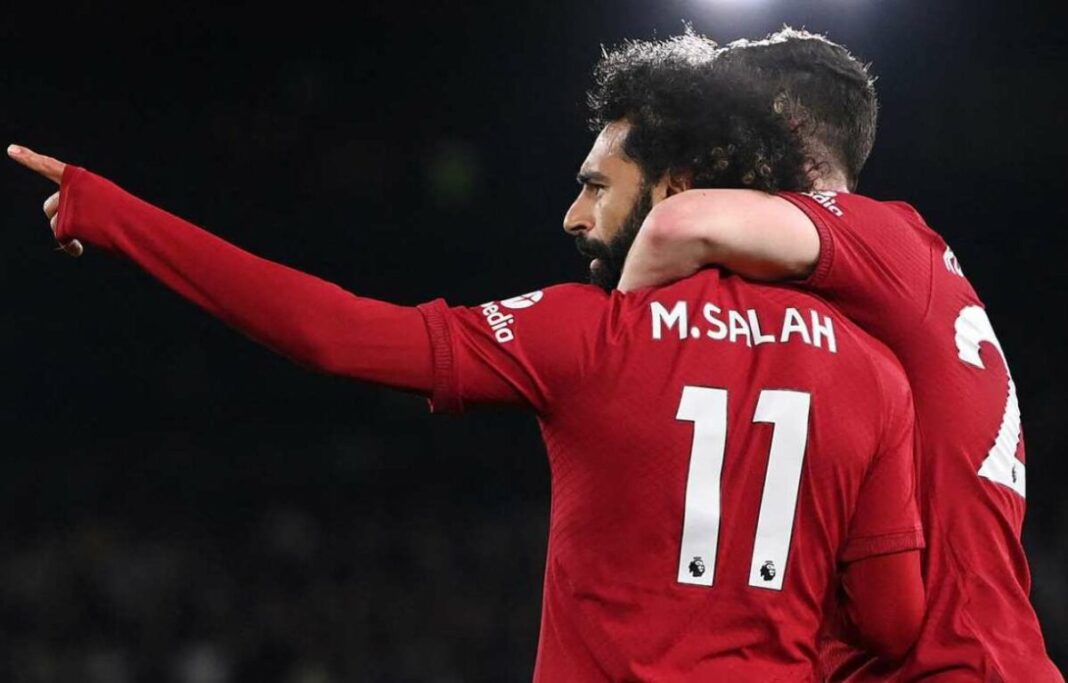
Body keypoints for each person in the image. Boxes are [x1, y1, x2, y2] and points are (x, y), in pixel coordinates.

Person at [9, 35, 926, 681]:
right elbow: (891, 621)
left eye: (596, 187)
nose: (573, 217)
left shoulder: (590, 335)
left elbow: (333, 332)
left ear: (677, 191)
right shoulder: (875, 372)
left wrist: (117, 215)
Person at [618, 28, 1064, 682]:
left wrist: (615, 360)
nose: (709, 155)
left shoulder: (882, 234)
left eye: (721, 131)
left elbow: (676, 227)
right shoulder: (842, 302)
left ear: (786, 127)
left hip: (950, 666)